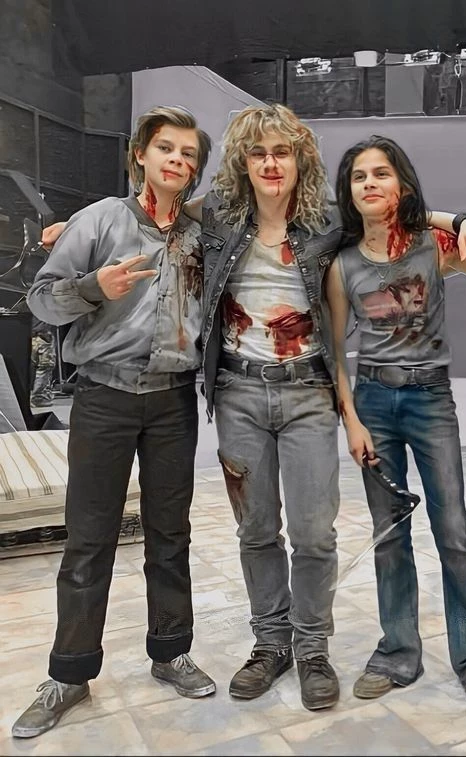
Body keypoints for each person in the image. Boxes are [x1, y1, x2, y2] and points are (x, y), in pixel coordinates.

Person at [195, 105, 466, 712]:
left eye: (282, 152)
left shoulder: (325, 220)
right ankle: (272, 645)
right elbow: (163, 213)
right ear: (242, 162)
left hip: (311, 392)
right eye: (258, 153)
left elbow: (394, 212)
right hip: (240, 392)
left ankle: (314, 649)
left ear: (301, 159)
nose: (270, 163)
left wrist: (459, 216)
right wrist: (82, 223)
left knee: (318, 532)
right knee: (258, 530)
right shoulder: (221, 216)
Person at [13, 106, 215, 739]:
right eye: (166, 148)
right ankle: (70, 673)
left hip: (174, 401)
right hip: (104, 398)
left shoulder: (201, 233)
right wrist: (93, 287)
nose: (177, 159)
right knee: (89, 538)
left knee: (170, 534)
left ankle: (171, 651)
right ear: (140, 155)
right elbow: (41, 298)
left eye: (188, 153)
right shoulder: (100, 219)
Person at [324, 135, 466, 705]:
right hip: (374, 401)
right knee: (389, 534)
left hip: (431, 400)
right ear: (349, 192)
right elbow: (334, 352)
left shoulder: (430, 246)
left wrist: (460, 219)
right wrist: (351, 420)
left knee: (455, 531)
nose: (370, 183)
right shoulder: (343, 265)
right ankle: (398, 651)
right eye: (359, 177)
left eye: (382, 173)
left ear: (401, 183)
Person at [29, 316, 56, 408]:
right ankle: (39, 397)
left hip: (31, 335)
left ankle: (36, 395)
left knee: (35, 367)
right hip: (42, 336)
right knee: (45, 367)